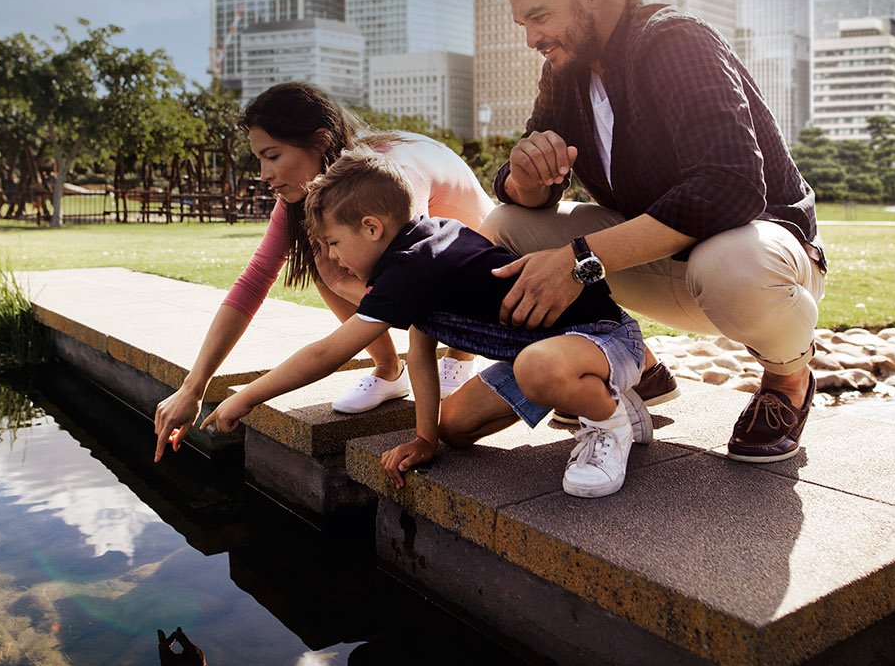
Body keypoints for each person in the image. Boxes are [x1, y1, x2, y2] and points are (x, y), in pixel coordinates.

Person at [488, 0, 827, 462]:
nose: (531, 38)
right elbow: (526, 191)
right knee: (502, 229)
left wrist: (578, 262)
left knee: (732, 263)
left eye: (539, 16)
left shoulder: (676, 40)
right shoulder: (564, 69)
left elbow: (730, 187)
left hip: (757, 263)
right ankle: (634, 365)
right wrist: (523, 179)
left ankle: (788, 379)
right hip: (656, 260)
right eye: (521, 23)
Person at [202, 148, 652, 498]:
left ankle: (609, 425)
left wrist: (247, 399)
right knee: (453, 428)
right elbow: (419, 348)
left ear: (372, 227)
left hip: (603, 338)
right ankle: (613, 400)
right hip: (546, 352)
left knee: (539, 367)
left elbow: (327, 353)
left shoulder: (415, 263)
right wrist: (424, 439)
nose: (332, 256)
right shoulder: (415, 252)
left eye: (334, 242)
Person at [152, 83, 494, 462]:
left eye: (273, 156)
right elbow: (252, 282)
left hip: (480, 252)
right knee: (322, 257)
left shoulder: (387, 184)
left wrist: (247, 398)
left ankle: (461, 357)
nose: (264, 174)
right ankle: (387, 371)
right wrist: (193, 386)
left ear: (321, 140)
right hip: (426, 275)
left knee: (369, 273)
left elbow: (418, 286)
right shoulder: (307, 198)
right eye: (259, 160)